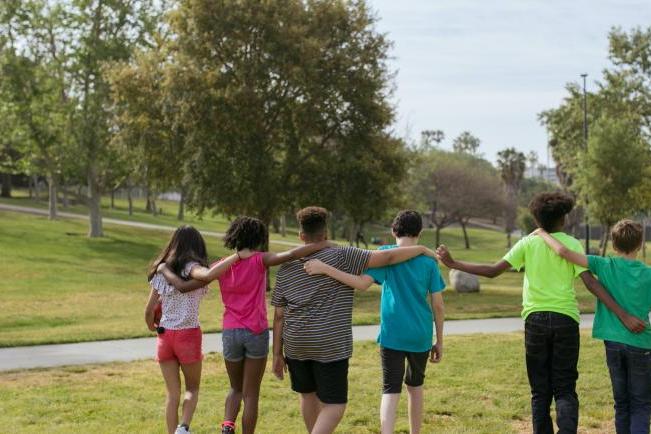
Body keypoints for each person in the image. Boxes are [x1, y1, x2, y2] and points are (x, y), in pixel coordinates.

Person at [435, 192, 645, 434]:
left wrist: (454, 263)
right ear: (563, 219)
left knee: (540, 390)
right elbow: (591, 283)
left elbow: (493, 271)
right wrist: (623, 313)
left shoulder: (528, 242)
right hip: (565, 320)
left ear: (537, 219)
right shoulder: (571, 243)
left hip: (534, 321)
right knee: (565, 387)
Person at [271, 206, 439, 434]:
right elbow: (387, 258)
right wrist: (421, 249)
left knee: (307, 394)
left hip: (296, 344)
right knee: (335, 404)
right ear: (326, 233)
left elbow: (279, 314)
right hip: (331, 343)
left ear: (301, 235)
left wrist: (277, 354)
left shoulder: (286, 267)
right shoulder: (344, 255)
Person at [159, 217, 332, 434]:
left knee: (235, 388)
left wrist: (164, 270)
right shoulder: (261, 260)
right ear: (258, 238)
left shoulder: (221, 265)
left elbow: (186, 285)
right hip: (256, 332)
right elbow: (291, 254)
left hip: (231, 333)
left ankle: (227, 425)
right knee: (251, 394)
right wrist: (325, 243)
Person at [535, 220, 651, 434]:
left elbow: (563, 251)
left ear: (614, 245)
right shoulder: (648, 274)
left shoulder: (603, 264)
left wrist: (542, 232)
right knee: (641, 403)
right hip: (642, 343)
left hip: (613, 344)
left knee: (621, 402)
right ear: (640, 244)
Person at [145, 225, 239, 434]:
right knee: (192, 388)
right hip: (188, 335)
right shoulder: (192, 268)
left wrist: (152, 325)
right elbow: (204, 274)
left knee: (172, 394)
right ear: (197, 246)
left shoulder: (162, 270)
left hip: (165, 336)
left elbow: (149, 310)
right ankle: (183, 427)